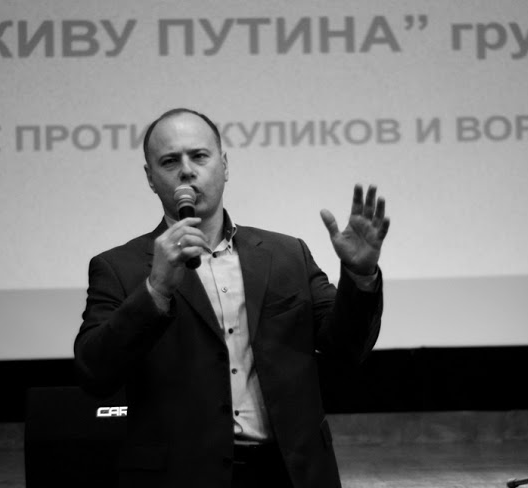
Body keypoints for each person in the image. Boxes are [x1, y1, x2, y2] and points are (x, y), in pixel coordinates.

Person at [74, 108, 390, 488]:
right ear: (150, 178)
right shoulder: (118, 268)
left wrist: (360, 276)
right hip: (183, 476)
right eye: (170, 161)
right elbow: (94, 372)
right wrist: (155, 290)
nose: (187, 171)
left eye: (199, 156)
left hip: (290, 473)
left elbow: (347, 347)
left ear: (224, 165)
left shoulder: (286, 255)